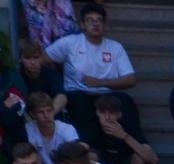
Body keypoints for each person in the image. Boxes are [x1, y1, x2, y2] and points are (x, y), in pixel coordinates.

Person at [45, 3, 137, 133]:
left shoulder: (115, 47)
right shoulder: (70, 43)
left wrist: (101, 82)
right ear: (82, 24)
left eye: (99, 20)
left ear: (104, 25)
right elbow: (42, 58)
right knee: (80, 104)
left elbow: (131, 79)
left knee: (126, 101)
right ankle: (86, 146)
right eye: (90, 20)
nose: (95, 24)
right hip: (77, 93)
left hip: (106, 93)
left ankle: (138, 144)